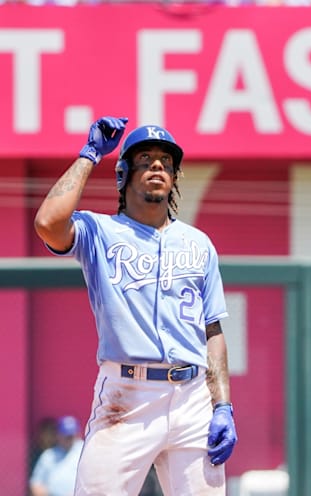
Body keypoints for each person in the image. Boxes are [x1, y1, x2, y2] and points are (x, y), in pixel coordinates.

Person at [33, 116, 238, 495]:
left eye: (166, 162)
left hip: (192, 398)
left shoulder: (199, 243)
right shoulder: (99, 231)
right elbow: (48, 223)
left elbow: (213, 330)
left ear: (174, 178)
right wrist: (89, 154)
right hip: (126, 398)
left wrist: (222, 405)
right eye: (145, 159)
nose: (157, 166)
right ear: (124, 174)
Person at [29, 415, 84, 496]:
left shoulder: (83, 451)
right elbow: (36, 483)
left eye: (71, 436)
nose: (69, 439)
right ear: (58, 435)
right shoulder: (49, 455)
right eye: (66, 436)